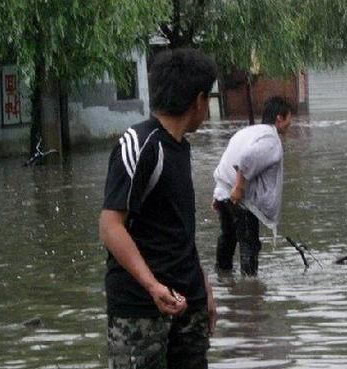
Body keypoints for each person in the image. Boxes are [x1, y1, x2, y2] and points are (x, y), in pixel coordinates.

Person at [99, 48, 218, 369]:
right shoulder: (139, 144)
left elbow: (178, 227)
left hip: (188, 304)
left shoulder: (180, 147)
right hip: (140, 310)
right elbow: (111, 226)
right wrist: (153, 286)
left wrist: (203, 286)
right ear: (198, 100)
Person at [212, 96, 294, 276]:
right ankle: (250, 289)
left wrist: (218, 194)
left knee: (228, 237)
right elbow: (246, 159)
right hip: (242, 200)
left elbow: (227, 160)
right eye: (289, 118)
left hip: (224, 192)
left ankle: (223, 277)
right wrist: (239, 188)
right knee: (249, 243)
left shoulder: (247, 132)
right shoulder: (270, 139)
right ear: (279, 118)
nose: (290, 123)